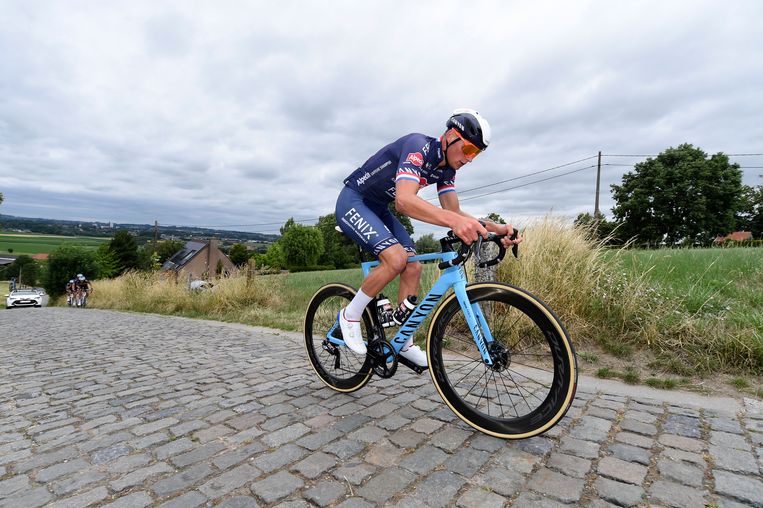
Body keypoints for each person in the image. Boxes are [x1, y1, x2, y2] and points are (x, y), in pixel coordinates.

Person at [335, 108, 523, 367]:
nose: (470, 159)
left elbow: (454, 212)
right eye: (468, 150)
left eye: (476, 154)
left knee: (413, 266)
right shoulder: (418, 147)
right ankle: (350, 315)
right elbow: (404, 200)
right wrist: (456, 221)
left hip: (378, 208)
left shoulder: (446, 170)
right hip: (354, 201)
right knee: (396, 259)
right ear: (449, 137)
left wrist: (497, 229)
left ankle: (404, 343)